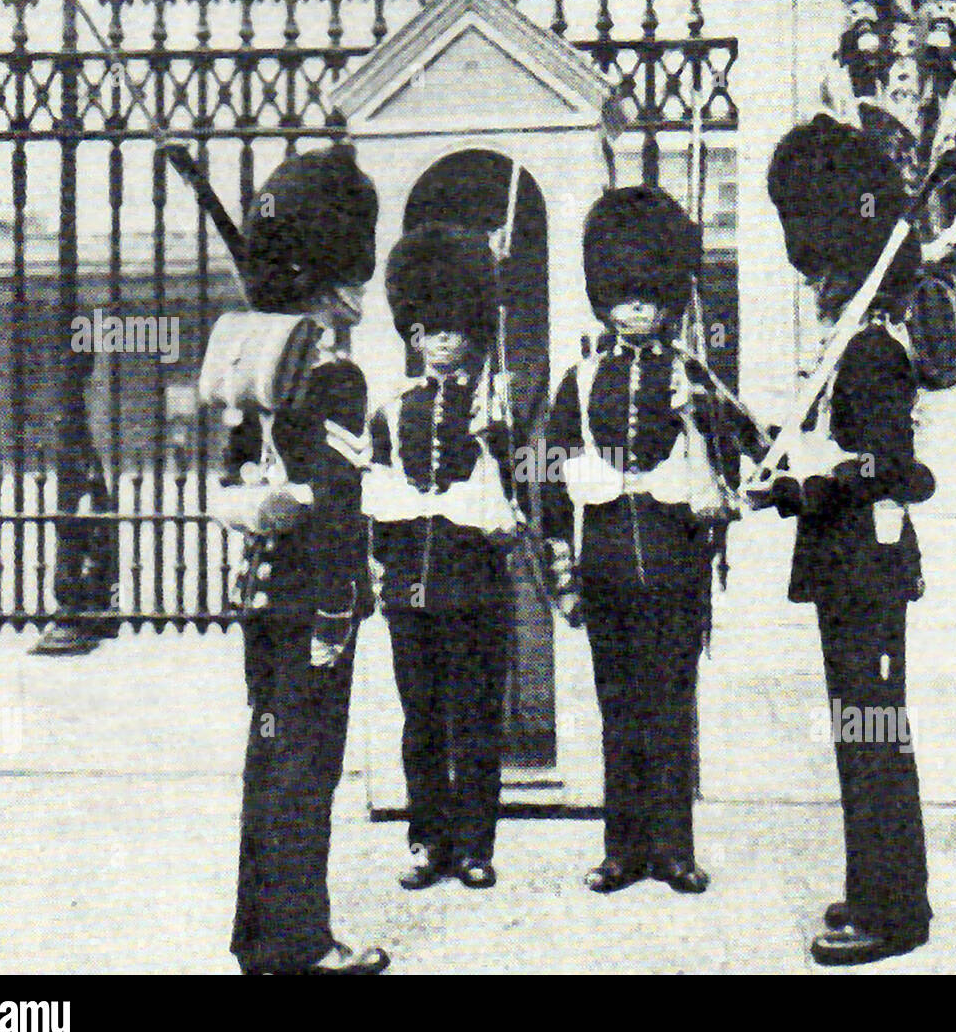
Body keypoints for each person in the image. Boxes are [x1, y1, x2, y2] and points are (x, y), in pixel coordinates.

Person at [208, 142, 388, 975]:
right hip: (316, 599)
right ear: (339, 282)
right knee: (305, 774)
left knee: (267, 760)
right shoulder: (337, 374)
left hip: (261, 595)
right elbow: (341, 512)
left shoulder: (257, 363)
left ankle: (256, 938)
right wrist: (337, 611)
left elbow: (236, 479)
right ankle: (303, 944)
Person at [767, 102, 939, 966]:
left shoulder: (873, 349)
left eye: (821, 268)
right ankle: (877, 889)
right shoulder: (853, 345)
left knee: (874, 738)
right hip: (851, 570)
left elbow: (889, 467)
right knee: (863, 736)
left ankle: (895, 910)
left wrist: (809, 485)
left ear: (847, 264)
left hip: (866, 568)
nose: (813, 283)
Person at [542, 185, 733, 895]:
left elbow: (727, 473)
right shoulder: (582, 376)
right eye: (624, 296)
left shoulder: (692, 374)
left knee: (671, 704)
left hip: (675, 555)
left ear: (665, 298)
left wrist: (701, 416)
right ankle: (623, 848)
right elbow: (553, 471)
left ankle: (674, 849)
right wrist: (561, 563)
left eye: (648, 296)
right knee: (618, 707)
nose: (636, 308)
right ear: (605, 297)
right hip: (607, 562)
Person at [364, 223, 515, 892]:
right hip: (409, 588)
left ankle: (476, 844)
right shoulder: (394, 406)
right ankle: (428, 840)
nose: (441, 342)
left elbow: (516, 495)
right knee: (420, 719)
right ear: (414, 337)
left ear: (473, 335)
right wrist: (379, 569)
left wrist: (502, 438)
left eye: (454, 330)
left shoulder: (495, 402)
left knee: (474, 716)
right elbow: (376, 491)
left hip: (472, 582)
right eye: (428, 331)